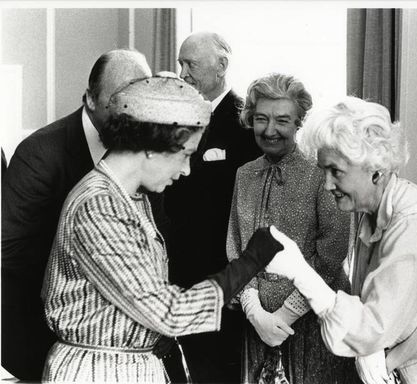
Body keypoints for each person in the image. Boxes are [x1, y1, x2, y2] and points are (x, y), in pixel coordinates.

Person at [41, 74, 283, 383]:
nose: (186, 170)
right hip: (98, 371)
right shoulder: (98, 205)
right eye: (184, 154)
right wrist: (248, 263)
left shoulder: (129, 198)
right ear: (152, 145)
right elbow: (169, 313)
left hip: (123, 364)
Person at [265, 96, 417, 384]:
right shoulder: (372, 212)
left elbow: (371, 329)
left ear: (374, 169)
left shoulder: (413, 222)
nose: (326, 185)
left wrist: (301, 274)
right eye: (323, 171)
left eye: (335, 171)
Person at [1, 49, 164, 381]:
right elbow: (8, 256)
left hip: (129, 352)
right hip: (57, 346)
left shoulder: (148, 152)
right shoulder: (40, 154)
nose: (132, 109)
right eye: (120, 97)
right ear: (90, 99)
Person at [227, 73, 360, 384]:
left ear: (300, 122)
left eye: (282, 121)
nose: (270, 130)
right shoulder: (244, 175)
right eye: (261, 119)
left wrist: (285, 315)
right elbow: (236, 247)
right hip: (257, 325)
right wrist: (254, 311)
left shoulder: (320, 174)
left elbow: (332, 252)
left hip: (313, 323)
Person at [162, 31, 261, 383]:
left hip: (222, 277)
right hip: (178, 275)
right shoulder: (175, 115)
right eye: (180, 64)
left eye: (191, 64)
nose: (183, 72)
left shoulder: (245, 123)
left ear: (221, 66)